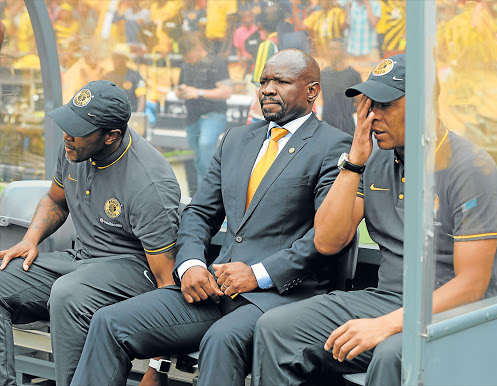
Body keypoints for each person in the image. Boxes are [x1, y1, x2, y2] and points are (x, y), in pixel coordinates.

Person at [70, 49, 353, 386]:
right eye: (263, 81)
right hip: (214, 289)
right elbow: (199, 214)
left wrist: (258, 274)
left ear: (312, 91)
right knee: (109, 322)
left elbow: (324, 238)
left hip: (281, 296)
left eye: (281, 81)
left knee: (221, 340)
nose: (267, 89)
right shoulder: (235, 141)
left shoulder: (334, 147)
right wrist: (190, 264)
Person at [251, 54, 497, 385]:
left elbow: (471, 285)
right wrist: (355, 161)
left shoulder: (471, 168)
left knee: (392, 353)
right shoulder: (376, 158)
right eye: (369, 105)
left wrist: (388, 324)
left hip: (457, 317)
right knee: (275, 328)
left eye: (385, 105)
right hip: (387, 299)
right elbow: (328, 241)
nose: (372, 117)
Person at [0, 80, 181, 386]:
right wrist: (29, 240)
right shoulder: (74, 148)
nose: (67, 135)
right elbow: (55, 199)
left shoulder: (150, 183)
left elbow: (166, 285)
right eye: (68, 124)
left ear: (111, 135)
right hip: (81, 260)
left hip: (137, 272)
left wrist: (158, 368)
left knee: (69, 294)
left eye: (79, 129)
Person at [175, 32, 232, 188]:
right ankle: (204, 194)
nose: (187, 59)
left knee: (205, 146)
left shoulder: (216, 63)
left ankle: (209, 193)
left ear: (198, 48)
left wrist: (198, 92)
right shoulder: (186, 65)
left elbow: (227, 91)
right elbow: (178, 88)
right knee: (198, 158)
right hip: (192, 117)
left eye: (189, 55)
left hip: (213, 114)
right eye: (184, 56)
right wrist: (180, 91)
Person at [320, 38, 361, 135]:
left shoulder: (353, 74)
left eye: (335, 49)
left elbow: (360, 102)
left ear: (343, 51)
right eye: (330, 49)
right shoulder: (323, 74)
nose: (331, 52)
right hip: (327, 124)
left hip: (346, 126)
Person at [104, 43, 147, 113]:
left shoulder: (135, 76)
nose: (114, 60)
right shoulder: (108, 76)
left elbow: (142, 97)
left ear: (124, 59)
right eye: (113, 57)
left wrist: (137, 116)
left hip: (130, 115)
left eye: (117, 57)